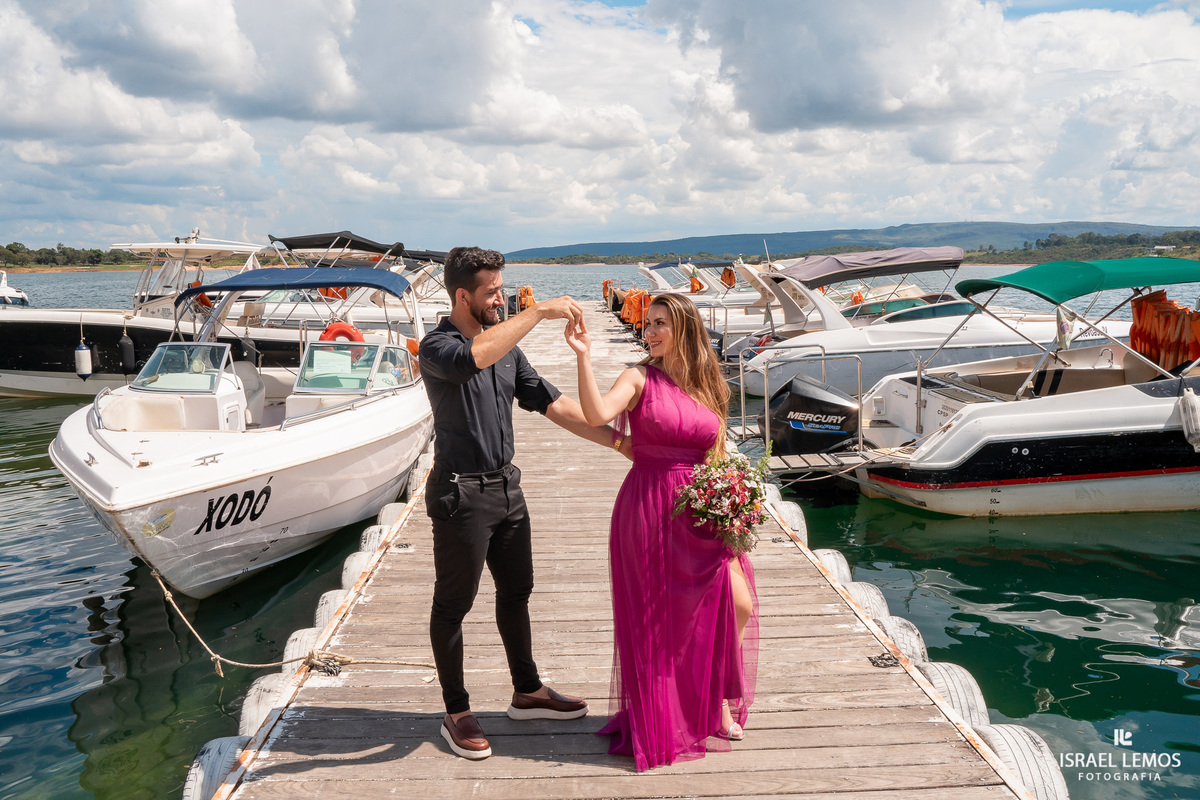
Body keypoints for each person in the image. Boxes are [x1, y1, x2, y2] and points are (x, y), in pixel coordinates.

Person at [419, 246, 624, 760]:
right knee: (453, 604)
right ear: (462, 295)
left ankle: (527, 691)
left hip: (506, 489)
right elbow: (473, 357)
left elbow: (552, 403)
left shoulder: (506, 348)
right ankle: (456, 710)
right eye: (492, 292)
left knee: (517, 591)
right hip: (460, 493)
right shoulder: (438, 346)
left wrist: (624, 444)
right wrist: (536, 311)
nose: (501, 298)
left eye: (503, 289)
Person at [565, 291, 759, 772]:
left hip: (702, 508)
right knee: (660, 620)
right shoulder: (637, 377)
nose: (649, 331)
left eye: (660, 324)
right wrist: (584, 357)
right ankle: (669, 714)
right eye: (647, 322)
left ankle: (709, 701)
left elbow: (714, 451)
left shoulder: (710, 385)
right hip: (649, 507)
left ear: (685, 330)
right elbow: (596, 415)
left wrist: (731, 506)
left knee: (735, 604)